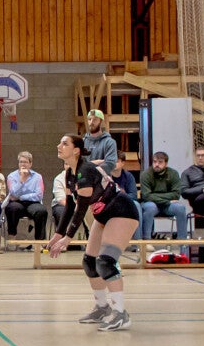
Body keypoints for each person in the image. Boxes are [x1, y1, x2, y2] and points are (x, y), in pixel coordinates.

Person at [46, 132, 140, 332]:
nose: (59, 146)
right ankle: (102, 307)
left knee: (105, 262)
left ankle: (121, 314)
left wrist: (68, 238)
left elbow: (81, 208)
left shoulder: (86, 170)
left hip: (122, 212)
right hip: (103, 215)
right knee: (90, 262)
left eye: (64, 143)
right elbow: (70, 206)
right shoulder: (70, 174)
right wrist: (57, 235)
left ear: (76, 150)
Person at [136, 150, 193, 240]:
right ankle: (146, 240)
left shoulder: (173, 174)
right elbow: (146, 196)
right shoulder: (146, 174)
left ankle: (182, 242)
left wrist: (156, 197)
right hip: (152, 204)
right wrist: (167, 200)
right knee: (150, 207)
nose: (157, 164)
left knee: (180, 208)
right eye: (155, 162)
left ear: (166, 164)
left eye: (160, 162)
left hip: (167, 206)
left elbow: (176, 194)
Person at [4, 151, 48, 241]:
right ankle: (12, 236)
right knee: (12, 208)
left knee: (41, 211)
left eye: (25, 162)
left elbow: (39, 195)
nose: (23, 164)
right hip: (16, 203)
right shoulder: (11, 176)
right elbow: (13, 193)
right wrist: (21, 180)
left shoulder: (37, 177)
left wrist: (21, 197)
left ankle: (39, 241)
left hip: (32, 203)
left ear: (30, 164)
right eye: (21, 162)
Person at [82, 109, 120, 175]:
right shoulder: (82, 142)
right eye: (89, 119)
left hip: (102, 179)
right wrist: (95, 163)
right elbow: (77, 164)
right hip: (83, 179)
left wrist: (87, 167)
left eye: (95, 120)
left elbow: (110, 164)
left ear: (101, 122)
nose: (91, 122)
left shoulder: (109, 142)